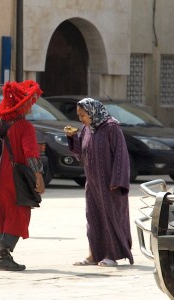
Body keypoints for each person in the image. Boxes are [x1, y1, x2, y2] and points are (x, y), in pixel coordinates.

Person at [0, 80, 45, 271]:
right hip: (15, 179)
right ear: (21, 105)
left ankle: (2, 252)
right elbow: (30, 153)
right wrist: (38, 177)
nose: (31, 106)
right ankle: (3, 254)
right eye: (28, 103)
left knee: (1, 213)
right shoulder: (25, 127)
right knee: (19, 212)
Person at [64, 98, 134, 267]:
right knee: (93, 218)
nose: (81, 119)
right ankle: (93, 255)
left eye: (83, 115)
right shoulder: (88, 128)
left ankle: (112, 255)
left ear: (92, 112)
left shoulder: (112, 128)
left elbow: (121, 155)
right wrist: (72, 137)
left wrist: (118, 180)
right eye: (79, 115)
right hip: (93, 183)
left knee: (111, 218)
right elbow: (81, 150)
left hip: (111, 185)